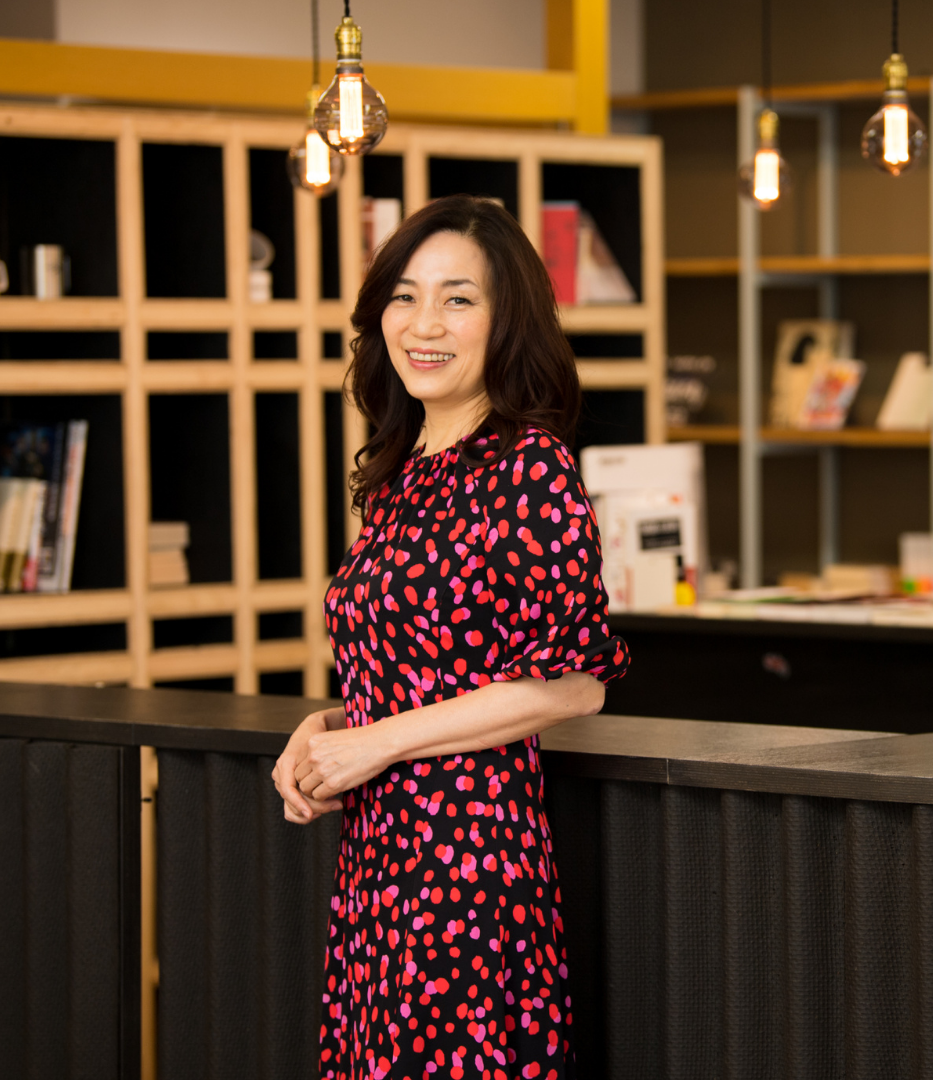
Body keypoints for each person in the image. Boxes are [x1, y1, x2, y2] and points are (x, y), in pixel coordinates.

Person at [273, 193, 630, 1080]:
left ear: (508, 319)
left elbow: (575, 683)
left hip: (466, 866)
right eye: (403, 294)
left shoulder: (530, 469)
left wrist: (377, 745)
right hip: (380, 861)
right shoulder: (403, 471)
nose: (423, 323)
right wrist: (326, 731)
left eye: (458, 298)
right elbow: (423, 667)